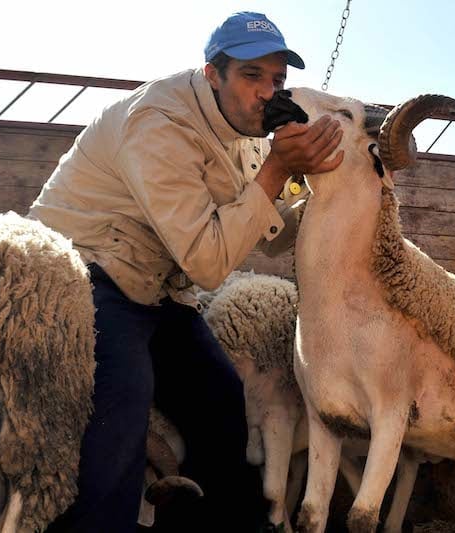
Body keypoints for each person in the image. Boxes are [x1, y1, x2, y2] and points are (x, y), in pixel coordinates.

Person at [30, 11, 343, 532]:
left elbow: (263, 234)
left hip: (159, 291)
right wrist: (278, 169)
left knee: (222, 401)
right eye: (252, 75)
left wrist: (321, 195)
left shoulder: (246, 131)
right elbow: (208, 262)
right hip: (86, 273)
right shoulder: (159, 123)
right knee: (121, 409)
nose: (268, 92)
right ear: (212, 74)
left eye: (277, 79)